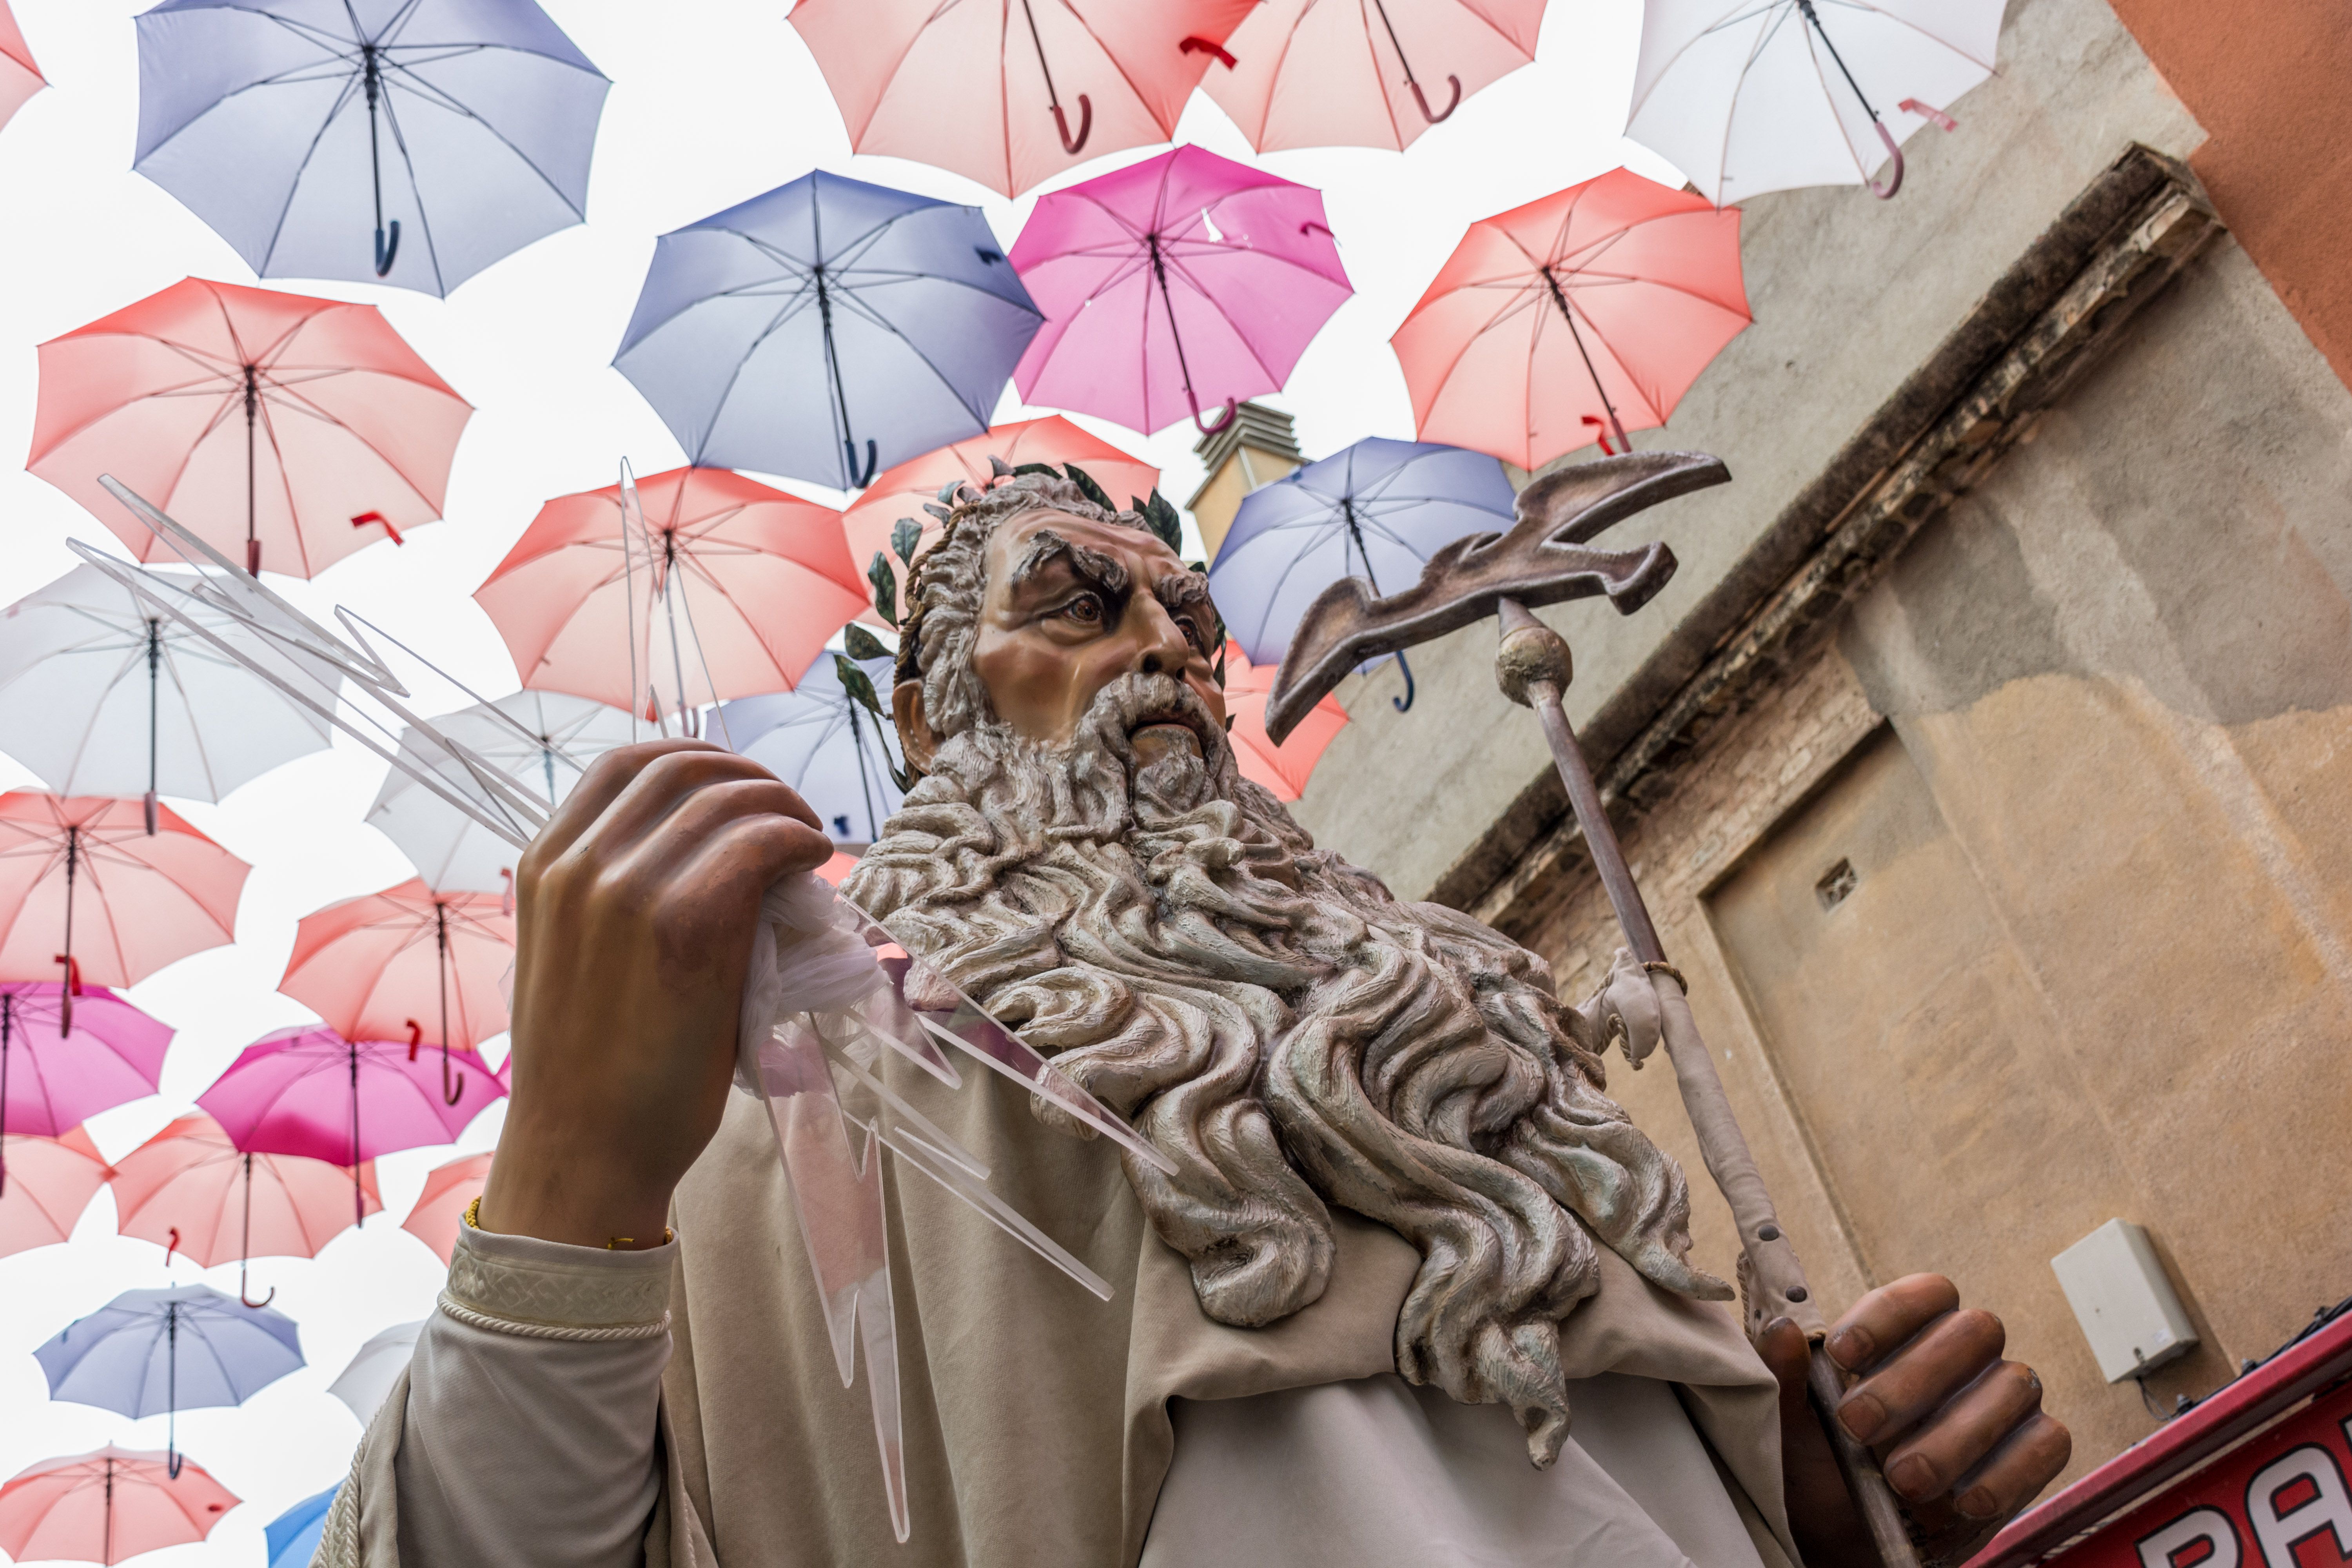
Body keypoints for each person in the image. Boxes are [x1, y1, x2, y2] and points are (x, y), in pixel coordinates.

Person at [319, 472, 2069, 1567]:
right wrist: (567, 1183)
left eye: (1182, 611)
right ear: (933, 727)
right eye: (1072, 608)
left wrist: (1815, 1499)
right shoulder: (778, 1110)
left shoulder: (1447, 1009)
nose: (1158, 640)